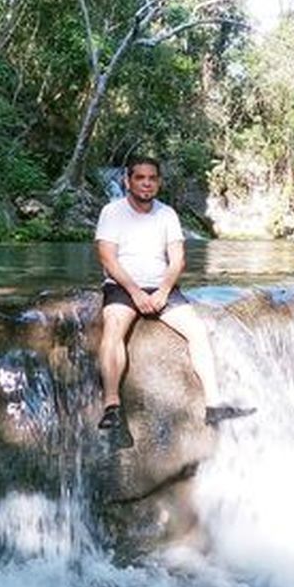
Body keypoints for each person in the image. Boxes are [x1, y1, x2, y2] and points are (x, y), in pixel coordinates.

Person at [94, 155, 252, 444]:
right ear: (127, 181)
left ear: (159, 182)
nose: (146, 183)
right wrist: (136, 293)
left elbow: (178, 259)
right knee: (114, 326)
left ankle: (213, 405)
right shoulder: (112, 212)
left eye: (152, 178)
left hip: (162, 287)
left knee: (198, 331)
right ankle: (112, 406)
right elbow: (107, 258)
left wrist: (164, 291)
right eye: (140, 178)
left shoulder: (167, 214)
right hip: (122, 285)